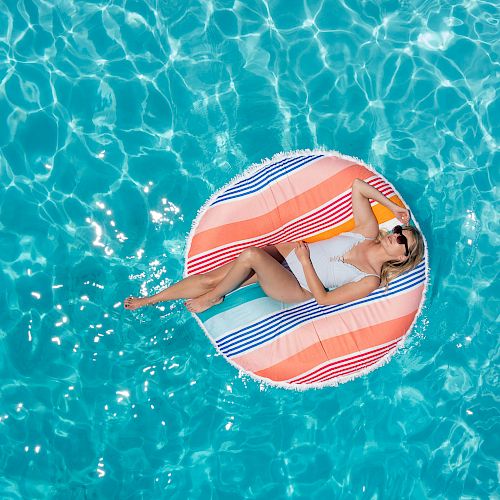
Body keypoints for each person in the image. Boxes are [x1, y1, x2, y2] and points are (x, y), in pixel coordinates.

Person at [124, 178, 425, 313]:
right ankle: (150, 300)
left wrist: (306, 262)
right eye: (399, 230)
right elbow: (358, 187)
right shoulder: (367, 232)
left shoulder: (370, 279)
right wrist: (393, 207)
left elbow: (323, 300)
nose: (395, 234)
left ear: (402, 258)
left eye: (402, 239)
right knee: (213, 275)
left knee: (251, 255)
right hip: (290, 255)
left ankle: (213, 299)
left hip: (295, 284)